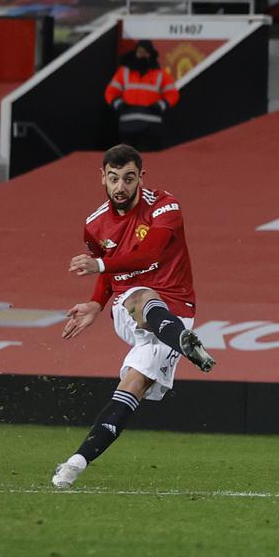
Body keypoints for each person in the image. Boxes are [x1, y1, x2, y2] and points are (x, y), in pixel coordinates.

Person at [51, 144, 216, 489]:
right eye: (113, 179)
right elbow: (111, 277)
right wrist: (96, 304)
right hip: (131, 305)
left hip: (179, 311)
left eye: (128, 178)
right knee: (140, 296)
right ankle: (184, 345)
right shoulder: (94, 225)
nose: (120, 187)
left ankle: (75, 464)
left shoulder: (166, 206)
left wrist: (98, 264)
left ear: (142, 177)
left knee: (131, 388)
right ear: (103, 178)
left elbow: (150, 253)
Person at [104, 40, 178, 152]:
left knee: (149, 161)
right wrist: (119, 104)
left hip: (151, 126)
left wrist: (160, 105)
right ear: (135, 53)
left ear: (150, 54)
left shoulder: (160, 74)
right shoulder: (124, 72)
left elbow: (172, 94)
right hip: (128, 125)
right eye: (139, 52)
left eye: (145, 52)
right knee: (128, 161)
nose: (142, 55)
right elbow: (110, 92)